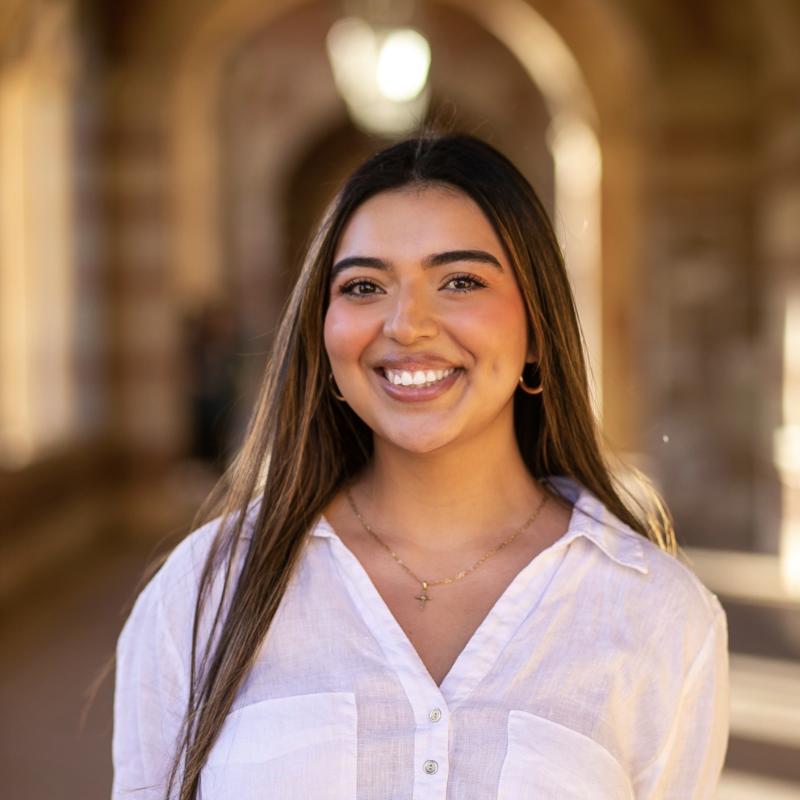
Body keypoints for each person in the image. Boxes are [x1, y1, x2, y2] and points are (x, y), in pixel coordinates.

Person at [112, 133, 729, 800]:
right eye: (365, 285)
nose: (407, 324)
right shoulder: (206, 591)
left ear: (537, 331)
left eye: (460, 281)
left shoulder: (658, 615)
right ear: (323, 334)